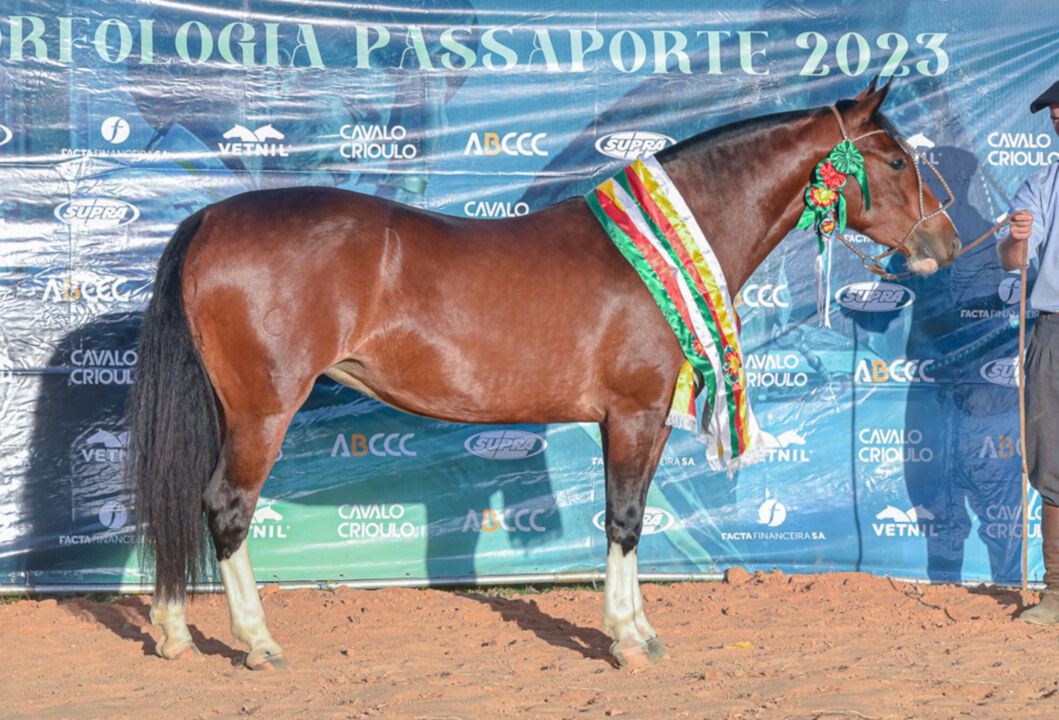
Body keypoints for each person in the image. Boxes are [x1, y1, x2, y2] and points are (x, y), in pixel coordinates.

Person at [997, 79, 1059, 623]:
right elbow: (1012, 261)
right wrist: (1017, 237)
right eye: (1055, 113)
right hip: (1055, 330)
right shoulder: (1042, 184)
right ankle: (1058, 592)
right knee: (1053, 458)